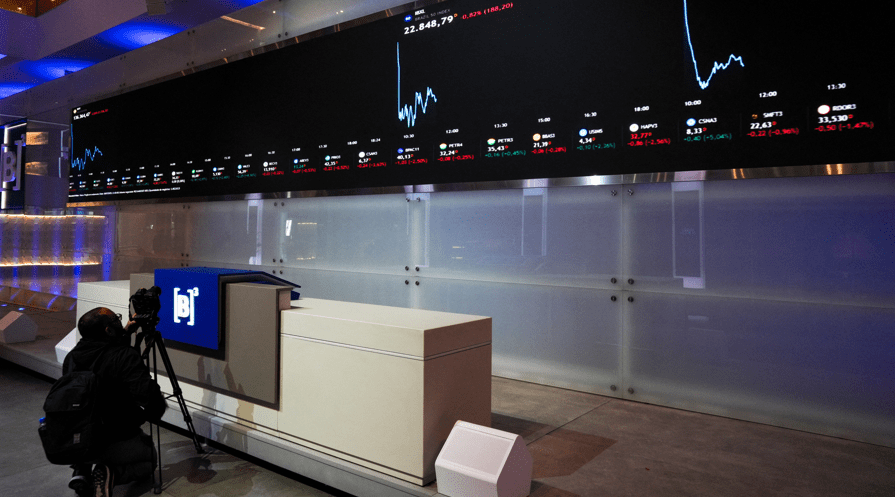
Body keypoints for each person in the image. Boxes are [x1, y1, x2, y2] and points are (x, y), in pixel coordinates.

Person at [62, 307, 167, 497]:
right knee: (149, 461)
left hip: (78, 440)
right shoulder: (124, 356)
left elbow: (103, 354)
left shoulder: (72, 357)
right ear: (108, 331)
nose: (120, 321)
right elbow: (149, 399)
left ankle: (82, 471)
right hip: (113, 436)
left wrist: (124, 333)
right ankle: (111, 474)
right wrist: (152, 412)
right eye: (116, 320)